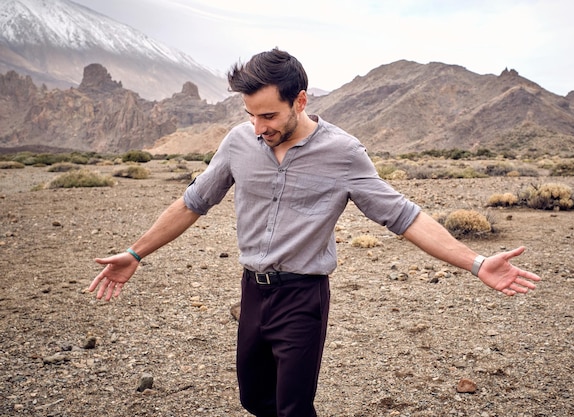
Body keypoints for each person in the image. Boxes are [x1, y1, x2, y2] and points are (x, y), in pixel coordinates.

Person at [89, 48, 541, 417]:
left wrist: (477, 262)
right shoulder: (238, 143)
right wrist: (136, 253)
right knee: (254, 400)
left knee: (293, 407)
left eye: (268, 115)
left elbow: (404, 216)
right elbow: (193, 203)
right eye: (250, 115)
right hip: (253, 292)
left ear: (300, 101)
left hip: (302, 296)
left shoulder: (343, 153)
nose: (258, 127)